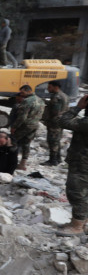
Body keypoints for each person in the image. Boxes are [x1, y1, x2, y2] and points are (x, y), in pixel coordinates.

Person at [53, 94, 88, 235]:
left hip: (82, 163)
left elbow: (62, 121)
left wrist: (78, 107)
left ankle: (77, 226)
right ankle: (81, 222)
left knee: (76, 193)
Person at [10, 84, 45, 170]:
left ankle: (11, 162)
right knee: (26, 143)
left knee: (12, 141)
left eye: (22, 92)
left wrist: (14, 127)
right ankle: (22, 164)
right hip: (34, 125)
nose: (21, 94)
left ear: (27, 91)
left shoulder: (27, 101)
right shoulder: (41, 100)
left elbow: (22, 117)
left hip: (24, 125)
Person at [43, 81, 69, 166]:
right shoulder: (64, 95)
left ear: (56, 87)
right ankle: (58, 158)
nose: (48, 89)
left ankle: (52, 160)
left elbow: (55, 111)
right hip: (61, 121)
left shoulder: (56, 97)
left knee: (52, 141)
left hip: (54, 122)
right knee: (57, 140)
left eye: (50, 87)